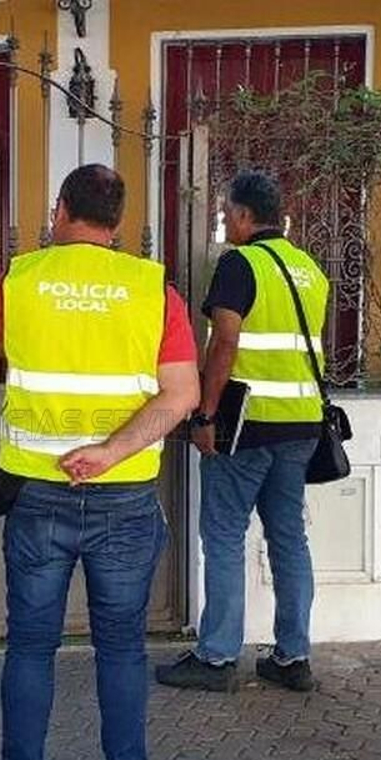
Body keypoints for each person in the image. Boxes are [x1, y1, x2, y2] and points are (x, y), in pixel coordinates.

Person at [0, 164, 200, 760]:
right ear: (117, 221)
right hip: (124, 495)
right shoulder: (152, 290)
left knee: (31, 645)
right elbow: (182, 394)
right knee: (123, 647)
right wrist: (109, 451)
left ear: (60, 209)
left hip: (37, 493)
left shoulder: (20, 281)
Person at [153, 169, 328, 694]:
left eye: (227, 212)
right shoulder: (309, 269)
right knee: (289, 539)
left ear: (247, 216)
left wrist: (205, 414)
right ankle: (292, 658)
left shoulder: (240, 264)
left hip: (247, 427)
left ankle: (216, 658)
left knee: (225, 537)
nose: (225, 221)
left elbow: (223, 343)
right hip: (301, 426)